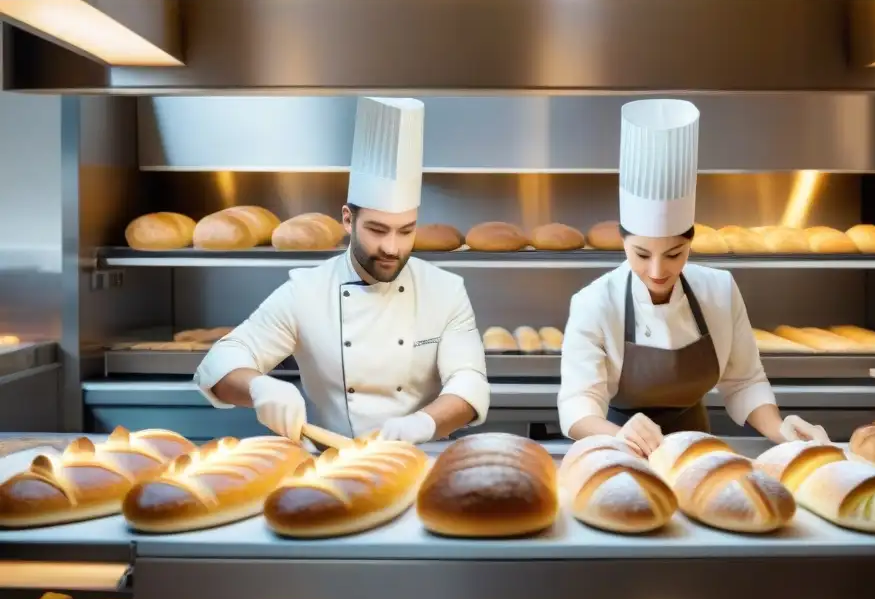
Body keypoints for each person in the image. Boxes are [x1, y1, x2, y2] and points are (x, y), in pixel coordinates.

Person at [194, 97, 489, 444]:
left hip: (421, 461)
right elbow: (220, 361)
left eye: (406, 231)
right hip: (329, 465)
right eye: (378, 230)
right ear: (348, 219)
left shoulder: (445, 290)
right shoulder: (306, 291)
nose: (393, 248)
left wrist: (424, 424)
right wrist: (259, 387)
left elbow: (469, 381)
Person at [557, 99, 828, 455]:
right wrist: (616, 435)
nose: (657, 271)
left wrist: (781, 430)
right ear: (623, 242)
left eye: (674, 255)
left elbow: (745, 381)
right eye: (641, 254)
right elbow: (578, 402)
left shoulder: (719, 291)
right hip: (618, 447)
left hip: (698, 450)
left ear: (690, 242)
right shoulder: (594, 302)